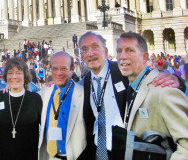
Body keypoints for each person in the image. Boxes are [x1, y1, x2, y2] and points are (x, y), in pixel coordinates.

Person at [78, 31, 185, 159]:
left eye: (95, 47)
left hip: (126, 150)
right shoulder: (84, 83)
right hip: (98, 150)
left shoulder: (124, 71)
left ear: (105, 51)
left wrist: (178, 81)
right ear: (81, 56)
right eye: (85, 49)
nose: (90, 53)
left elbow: (148, 78)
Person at [116, 32, 188, 159]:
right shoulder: (131, 86)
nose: (122, 56)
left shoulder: (165, 90)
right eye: (119, 51)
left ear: (145, 57)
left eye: (130, 50)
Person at [0, 58, 42, 160]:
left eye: (18, 73)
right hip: (3, 155)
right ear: (6, 76)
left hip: (29, 155)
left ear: (25, 76)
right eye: (10, 73)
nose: (14, 77)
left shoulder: (35, 99)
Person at [38, 51, 86, 160]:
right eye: (55, 68)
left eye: (63, 68)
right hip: (49, 156)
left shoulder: (83, 94)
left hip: (73, 156)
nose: (59, 73)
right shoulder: (45, 92)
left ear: (72, 70)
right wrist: (9, 88)